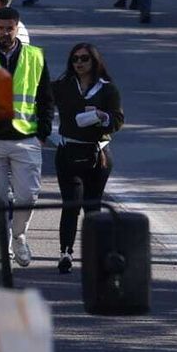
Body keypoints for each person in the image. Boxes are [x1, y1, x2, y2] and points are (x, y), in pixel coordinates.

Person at [0, 5, 54, 268]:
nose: (5, 33)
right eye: (1, 28)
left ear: (18, 28)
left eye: (10, 28)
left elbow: (45, 98)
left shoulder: (35, 57)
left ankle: (18, 236)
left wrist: (43, 132)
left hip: (24, 138)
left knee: (27, 196)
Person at [49, 43, 124, 274]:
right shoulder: (62, 86)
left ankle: (96, 257)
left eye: (84, 59)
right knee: (71, 203)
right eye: (75, 59)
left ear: (94, 62)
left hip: (97, 155)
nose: (79, 63)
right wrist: (44, 131)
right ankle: (66, 253)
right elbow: (42, 103)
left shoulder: (107, 89)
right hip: (68, 152)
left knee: (92, 206)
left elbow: (118, 120)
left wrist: (103, 117)